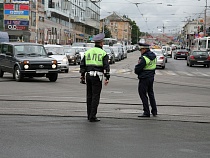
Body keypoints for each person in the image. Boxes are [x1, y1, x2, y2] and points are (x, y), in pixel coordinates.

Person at [80, 33, 110, 122]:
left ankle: (89, 115)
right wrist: (107, 77)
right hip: (97, 77)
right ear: (101, 43)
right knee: (95, 96)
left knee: (89, 96)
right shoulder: (103, 53)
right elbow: (106, 67)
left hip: (88, 75)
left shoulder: (88, 52)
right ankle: (93, 116)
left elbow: (82, 65)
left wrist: (82, 76)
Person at [134, 43, 157, 117]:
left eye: (141, 50)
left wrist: (137, 71)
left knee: (143, 94)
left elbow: (138, 69)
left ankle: (146, 112)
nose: (140, 51)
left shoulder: (144, 58)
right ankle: (154, 111)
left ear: (144, 49)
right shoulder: (153, 56)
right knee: (151, 94)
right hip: (151, 77)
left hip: (144, 78)